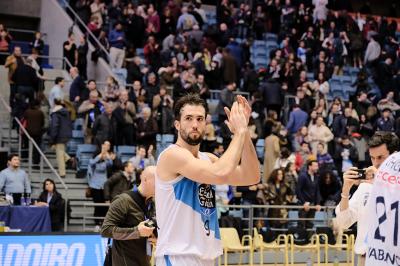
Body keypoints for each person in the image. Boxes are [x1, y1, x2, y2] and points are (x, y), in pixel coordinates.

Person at [155, 94, 260, 265]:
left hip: (206, 256)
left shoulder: (208, 159)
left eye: (199, 119)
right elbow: (219, 173)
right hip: (177, 256)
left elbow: (251, 176)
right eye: (188, 118)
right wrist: (239, 133)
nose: (195, 124)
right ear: (177, 124)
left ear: (206, 123)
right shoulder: (172, 155)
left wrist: (245, 132)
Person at [335, 132, 399, 266]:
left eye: (381, 157)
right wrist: (345, 190)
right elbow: (344, 222)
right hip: (367, 258)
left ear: (394, 156)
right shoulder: (365, 187)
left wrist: (383, 181)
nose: (375, 164)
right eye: (372, 158)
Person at [101, 166, 156, 266]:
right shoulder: (123, 201)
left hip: (145, 261)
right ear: (145, 179)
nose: (161, 184)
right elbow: (106, 230)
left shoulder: (152, 203)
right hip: (124, 262)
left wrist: (156, 237)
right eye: (157, 180)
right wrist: (136, 231)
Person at [88, 140, 113, 225]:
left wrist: (107, 155)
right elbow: (91, 163)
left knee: (104, 205)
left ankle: (103, 222)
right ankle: (96, 223)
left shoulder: (106, 160)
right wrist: (100, 154)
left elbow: (110, 164)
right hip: (95, 185)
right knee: (97, 204)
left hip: (104, 186)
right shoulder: (96, 158)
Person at [48, 99, 73, 178]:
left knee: (59, 154)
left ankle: (62, 173)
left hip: (59, 135)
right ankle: (69, 159)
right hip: (67, 134)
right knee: (60, 150)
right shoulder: (66, 112)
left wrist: (52, 139)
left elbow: (54, 127)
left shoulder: (55, 114)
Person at [296, 160, 321, 229]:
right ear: (310, 167)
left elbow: (317, 191)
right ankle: (300, 239)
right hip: (303, 203)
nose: (317, 167)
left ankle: (309, 239)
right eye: (315, 166)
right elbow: (298, 190)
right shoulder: (303, 176)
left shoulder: (316, 176)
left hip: (312, 204)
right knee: (301, 223)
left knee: (310, 224)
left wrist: (318, 203)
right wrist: (304, 202)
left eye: (317, 166)